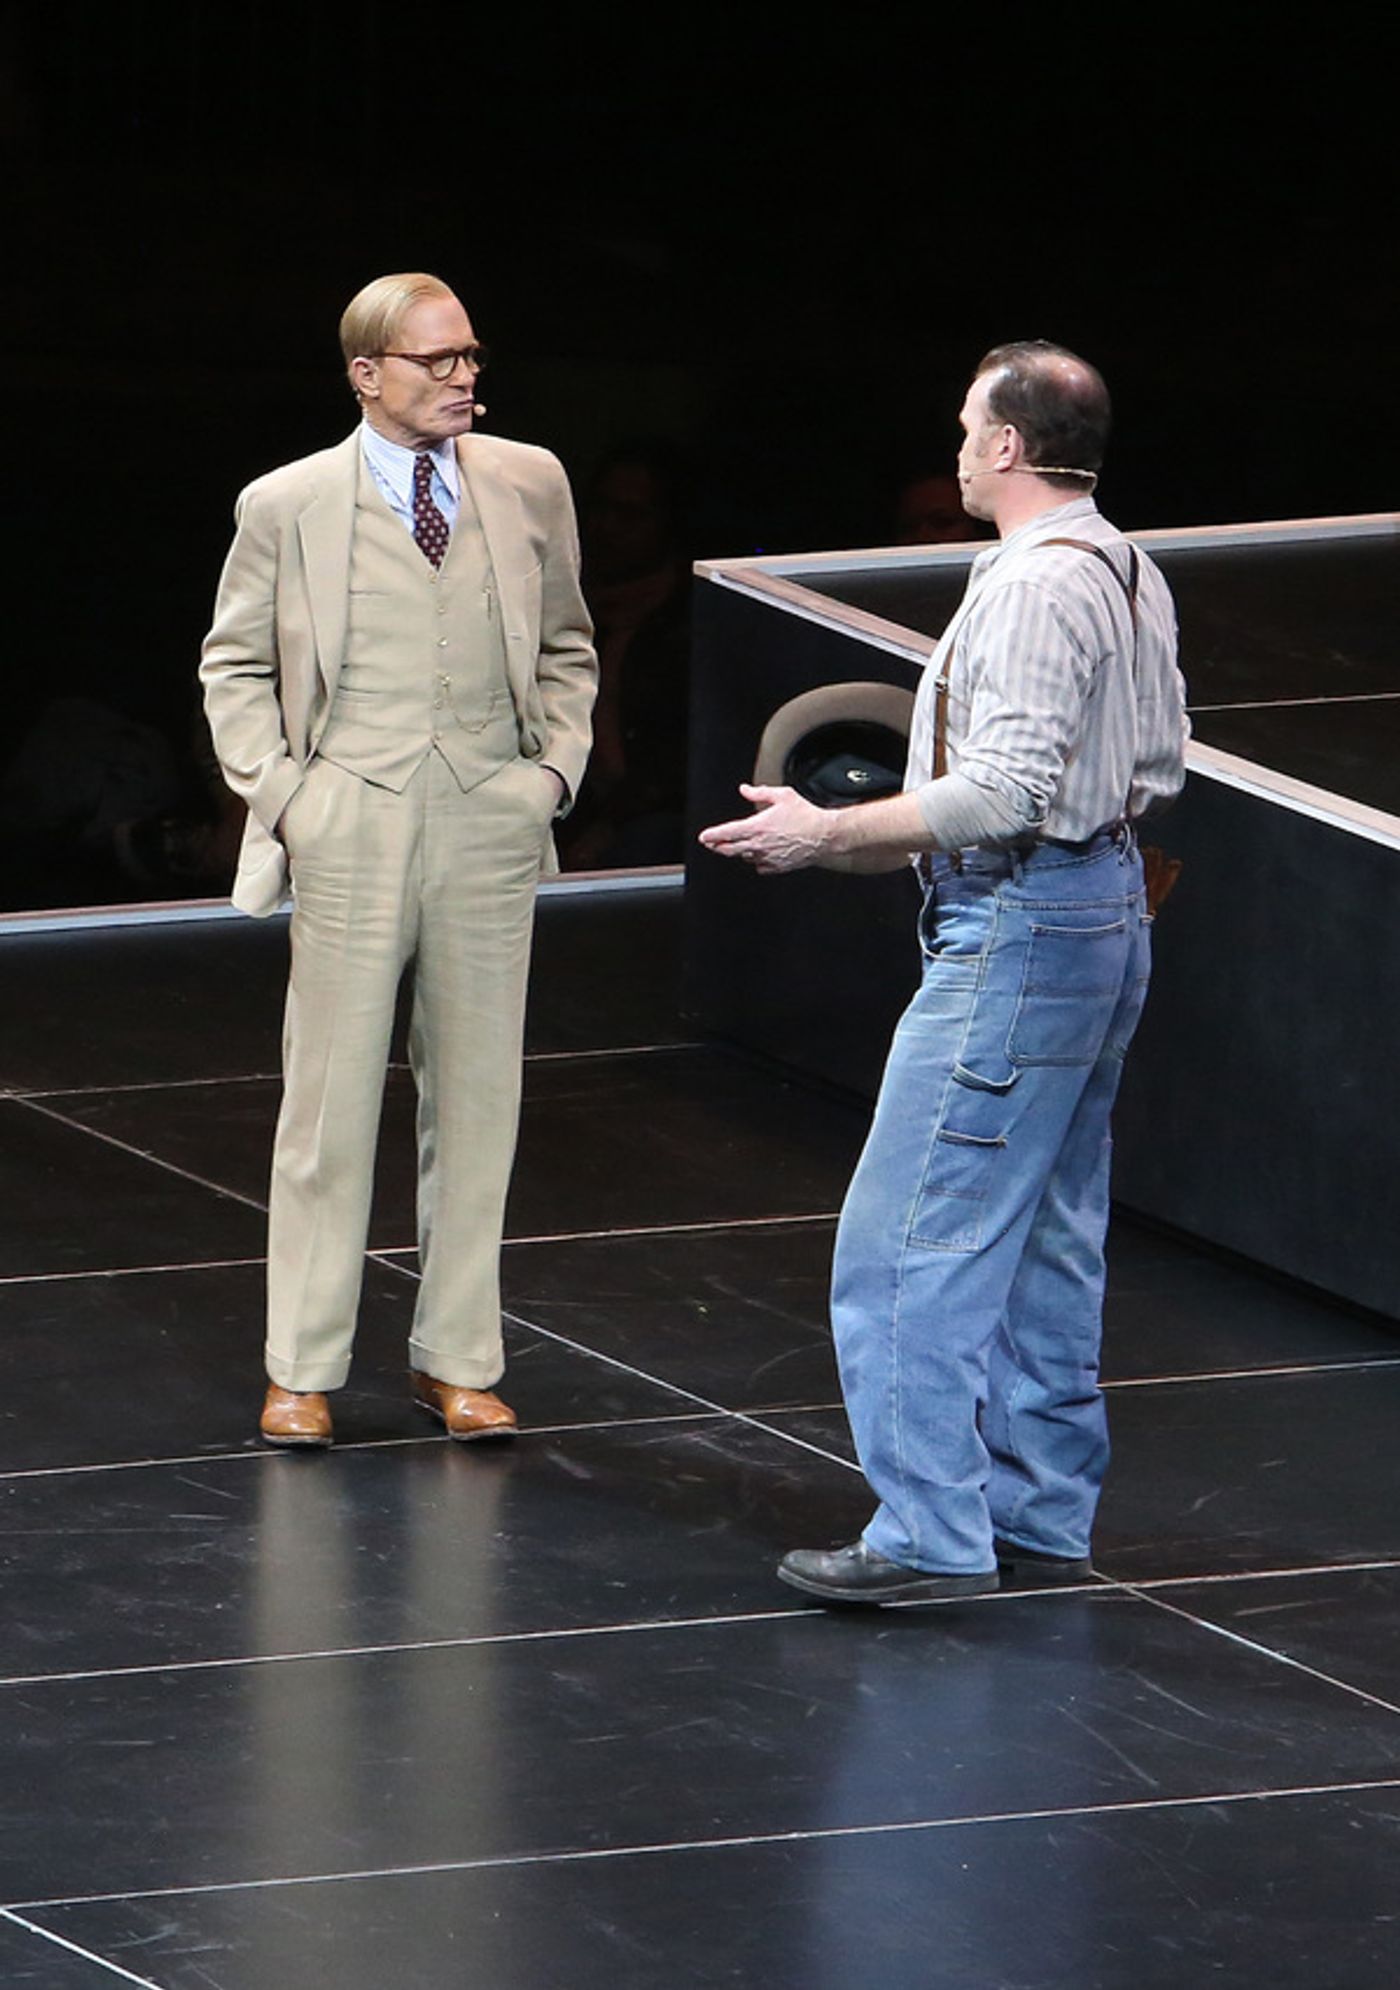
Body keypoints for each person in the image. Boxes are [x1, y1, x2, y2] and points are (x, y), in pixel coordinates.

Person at [701, 341, 1188, 1604]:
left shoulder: (1036, 586)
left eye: (970, 424)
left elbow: (1006, 790)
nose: (958, 443)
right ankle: (1035, 1510)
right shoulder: (1123, 563)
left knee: (908, 1239)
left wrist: (826, 833)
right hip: (1095, 915)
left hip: (1025, 926)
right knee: (1044, 1232)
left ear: (1010, 445)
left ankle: (927, 1530)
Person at [201, 271, 597, 1448]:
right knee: (326, 1106)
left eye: (471, 357)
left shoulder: (530, 482)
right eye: (438, 361)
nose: (463, 378)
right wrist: (288, 797)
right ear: (367, 374)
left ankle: (458, 1359)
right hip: (352, 813)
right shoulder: (287, 502)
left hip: (486, 812)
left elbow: (569, 644)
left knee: (481, 1096)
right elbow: (233, 666)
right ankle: (303, 1365)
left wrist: (547, 780)